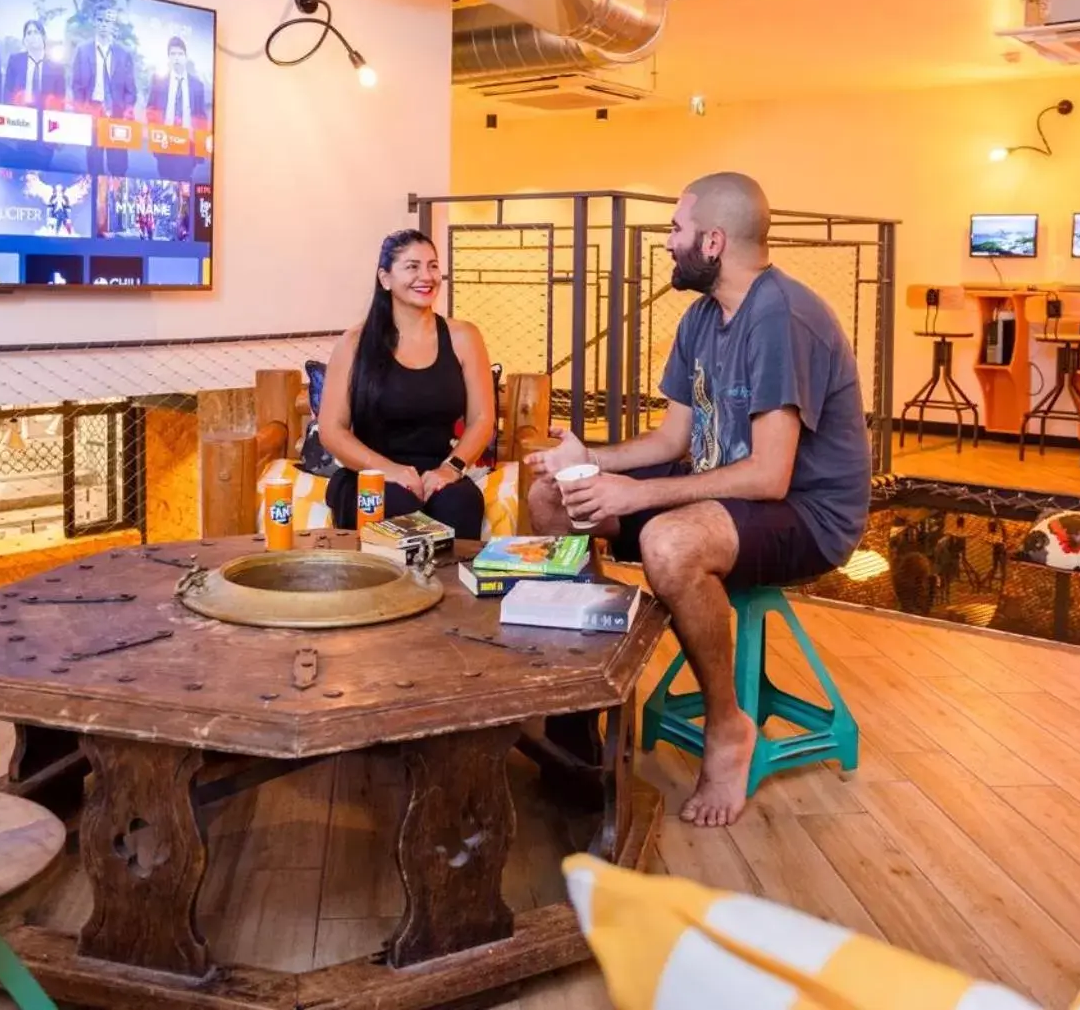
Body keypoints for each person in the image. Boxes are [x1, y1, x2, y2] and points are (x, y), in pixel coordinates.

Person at [526, 173, 872, 828]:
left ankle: (727, 725)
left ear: (713, 240)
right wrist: (590, 461)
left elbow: (771, 474)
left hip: (806, 511)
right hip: (728, 492)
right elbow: (672, 437)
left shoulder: (782, 315)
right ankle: (578, 707)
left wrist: (639, 493)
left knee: (669, 540)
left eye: (676, 230)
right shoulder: (702, 317)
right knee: (553, 499)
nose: (667, 244)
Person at [318, 230, 496, 536]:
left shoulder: (464, 336)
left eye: (433, 266)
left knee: (461, 504)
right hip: (369, 474)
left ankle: (449, 585)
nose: (425, 276)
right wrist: (388, 471)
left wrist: (451, 468)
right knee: (396, 506)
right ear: (385, 279)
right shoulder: (354, 343)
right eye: (412, 267)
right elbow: (331, 430)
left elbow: (482, 418)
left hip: (439, 470)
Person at [71, 6, 138, 176]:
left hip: (117, 115)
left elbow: (131, 90)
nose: (103, 24)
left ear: (113, 24)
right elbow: (76, 85)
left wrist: (125, 113)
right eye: (100, 20)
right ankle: (96, 199)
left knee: (119, 168)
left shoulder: (124, 53)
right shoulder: (82, 50)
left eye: (107, 21)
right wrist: (83, 110)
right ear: (95, 22)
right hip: (92, 112)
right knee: (94, 166)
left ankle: (118, 199)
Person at [147, 36, 208, 180]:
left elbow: (201, 117)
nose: (176, 58)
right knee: (165, 181)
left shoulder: (197, 85)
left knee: (184, 183)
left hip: (187, 144)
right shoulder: (158, 81)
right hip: (165, 142)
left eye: (180, 54)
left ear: (186, 57)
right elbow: (150, 109)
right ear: (168, 57)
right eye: (173, 54)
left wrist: (200, 148)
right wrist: (156, 135)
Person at [5, 20, 65, 109]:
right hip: (19, 113)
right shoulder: (15, 61)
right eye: (29, 33)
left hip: (46, 114)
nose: (32, 36)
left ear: (43, 37)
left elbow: (60, 99)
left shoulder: (56, 67)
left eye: (36, 32)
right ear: (24, 39)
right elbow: (8, 91)